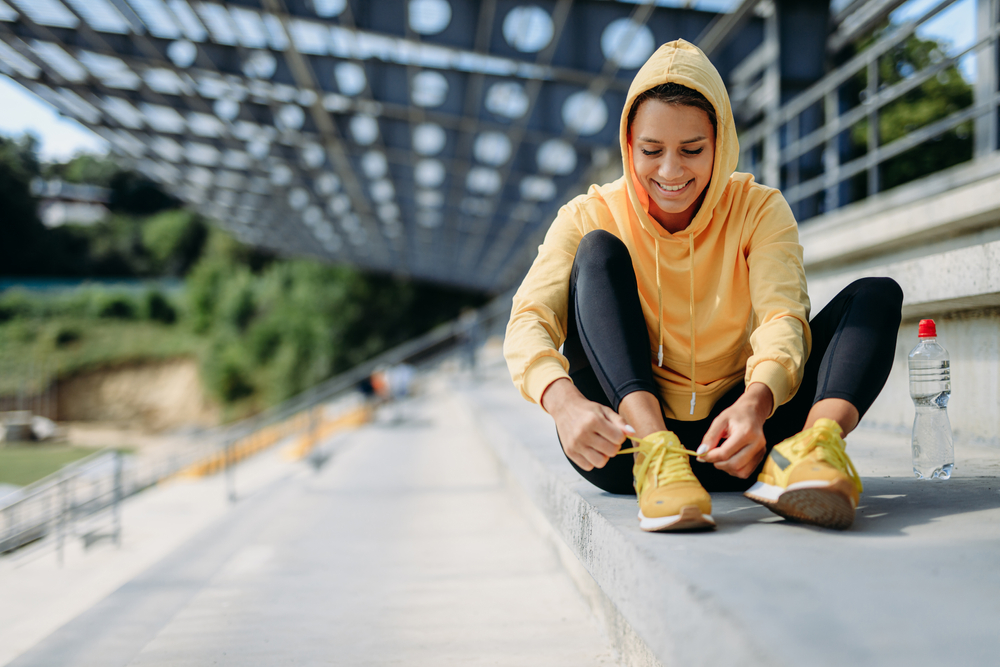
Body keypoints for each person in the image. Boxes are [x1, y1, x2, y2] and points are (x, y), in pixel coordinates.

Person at [503, 40, 902, 532]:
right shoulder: (589, 213)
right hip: (624, 446)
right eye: (651, 151)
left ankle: (813, 449)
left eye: (692, 150)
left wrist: (756, 404)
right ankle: (659, 456)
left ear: (722, 144)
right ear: (629, 147)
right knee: (598, 252)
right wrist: (564, 403)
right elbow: (528, 322)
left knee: (876, 296)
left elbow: (783, 316)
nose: (670, 172)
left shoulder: (759, 209)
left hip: (745, 440)